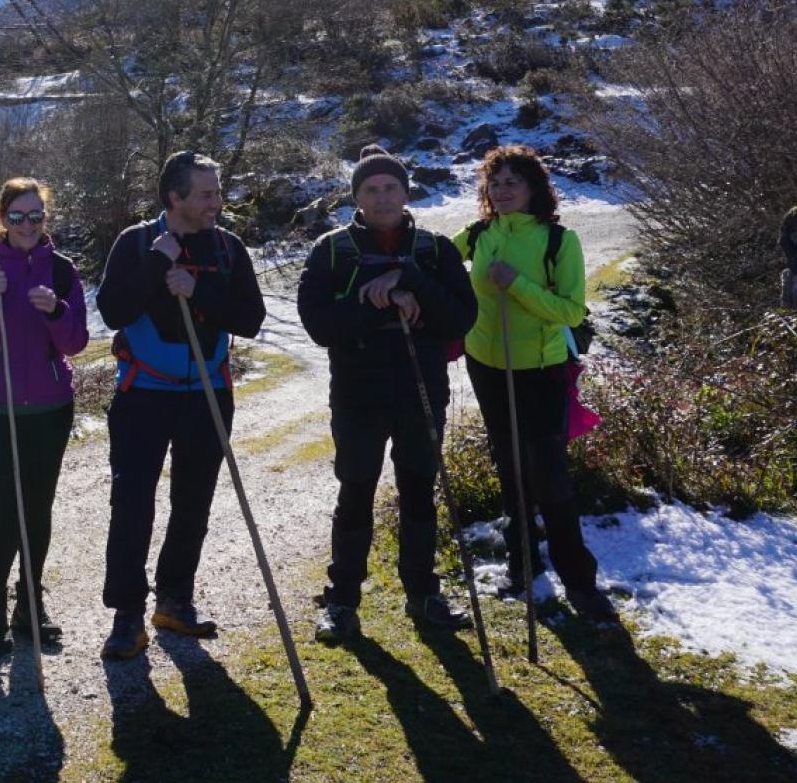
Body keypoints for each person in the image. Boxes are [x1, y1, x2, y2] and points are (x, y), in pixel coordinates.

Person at [296, 145, 478, 644]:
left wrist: (410, 278)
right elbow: (318, 326)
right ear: (356, 196)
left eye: (390, 188)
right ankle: (342, 603)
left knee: (420, 490)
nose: (382, 198)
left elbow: (462, 318)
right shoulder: (331, 251)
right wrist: (376, 299)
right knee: (355, 492)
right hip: (358, 393)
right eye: (371, 189)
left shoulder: (435, 250)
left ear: (405, 191)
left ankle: (424, 595)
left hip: (423, 390)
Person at [95, 151, 266, 661]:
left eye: (217, 192)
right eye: (207, 194)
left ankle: (174, 600)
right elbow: (111, 311)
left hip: (208, 394)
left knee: (193, 502)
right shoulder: (135, 243)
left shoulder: (228, 248)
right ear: (175, 197)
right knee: (132, 504)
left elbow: (251, 318)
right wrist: (158, 264)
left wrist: (199, 290)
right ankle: (127, 615)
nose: (217, 202)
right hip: (142, 395)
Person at [453, 145, 618, 625]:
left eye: (512, 182)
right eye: (494, 182)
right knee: (509, 466)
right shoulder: (481, 232)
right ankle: (521, 564)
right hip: (487, 364)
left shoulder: (557, 241)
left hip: (541, 371)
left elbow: (570, 311)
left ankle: (581, 584)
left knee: (550, 476)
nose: (502, 190)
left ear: (533, 189)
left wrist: (517, 285)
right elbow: (438, 257)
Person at [0, 178, 89, 654]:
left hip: (51, 408)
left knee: (39, 508)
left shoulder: (63, 271)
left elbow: (75, 343)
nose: (27, 225)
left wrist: (56, 310)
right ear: (2, 219)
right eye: (17, 216)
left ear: (45, 218)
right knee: (11, 509)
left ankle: (29, 606)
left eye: (36, 216)